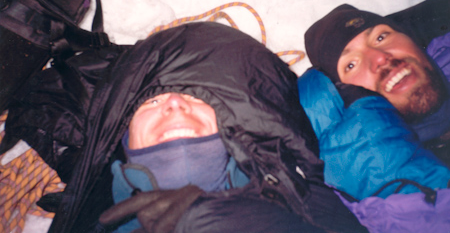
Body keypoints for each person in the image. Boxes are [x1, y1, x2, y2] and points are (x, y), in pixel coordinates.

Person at [5, 22, 367, 232]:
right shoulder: (94, 211)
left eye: (197, 99)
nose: (175, 103)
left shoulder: (300, 194)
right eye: (151, 102)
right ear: (124, 138)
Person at [297, 0, 450, 232]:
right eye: (351, 64)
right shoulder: (362, 203)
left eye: (381, 37)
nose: (380, 58)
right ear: (349, 94)